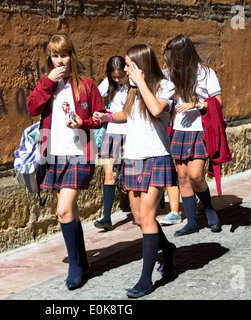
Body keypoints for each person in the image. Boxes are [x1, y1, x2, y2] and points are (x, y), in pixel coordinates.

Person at [93, 44, 177, 298]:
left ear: (141, 65)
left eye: (129, 64)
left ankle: (146, 279)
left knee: (148, 217)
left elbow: (155, 109)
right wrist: (106, 117)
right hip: (132, 159)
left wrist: (141, 82)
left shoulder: (164, 86)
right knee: (140, 218)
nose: (126, 69)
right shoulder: (130, 90)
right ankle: (168, 249)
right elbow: (127, 115)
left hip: (156, 158)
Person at [27, 34, 106, 289]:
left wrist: (84, 122)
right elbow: (32, 107)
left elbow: (102, 117)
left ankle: (74, 267)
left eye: (64, 55)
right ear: (49, 58)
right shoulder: (47, 85)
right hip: (54, 156)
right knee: (69, 211)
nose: (59, 60)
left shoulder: (87, 86)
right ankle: (83, 262)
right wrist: (47, 83)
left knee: (62, 210)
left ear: (72, 55)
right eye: (54, 55)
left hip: (80, 154)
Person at [163, 34, 222, 236]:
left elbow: (217, 103)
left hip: (199, 130)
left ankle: (208, 208)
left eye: (174, 55)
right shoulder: (170, 73)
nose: (171, 59)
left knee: (196, 175)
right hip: (179, 130)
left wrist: (196, 104)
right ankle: (191, 222)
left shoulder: (206, 73)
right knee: (182, 176)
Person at [94, 56, 128, 231]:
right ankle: (107, 217)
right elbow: (95, 98)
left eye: (120, 76)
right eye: (114, 77)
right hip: (112, 133)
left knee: (129, 173)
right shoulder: (108, 84)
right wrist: (103, 111)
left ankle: (139, 210)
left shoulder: (133, 85)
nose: (117, 80)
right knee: (109, 175)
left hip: (129, 134)